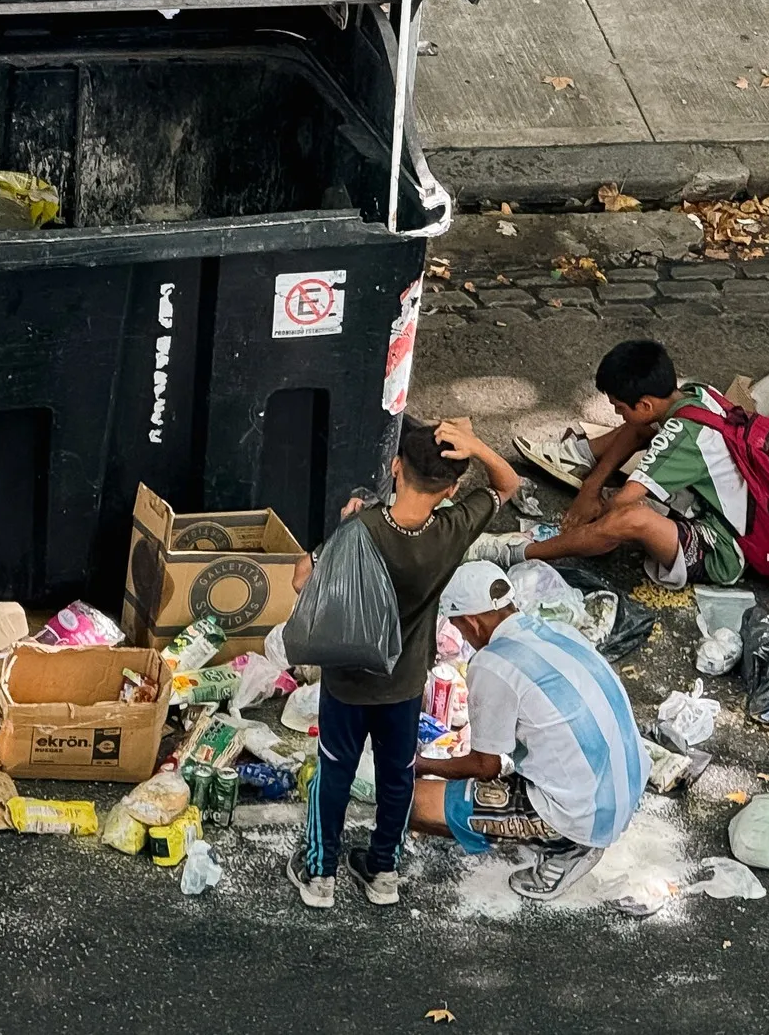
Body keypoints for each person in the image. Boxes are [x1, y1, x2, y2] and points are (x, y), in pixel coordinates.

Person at [286, 417, 522, 910]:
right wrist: (476, 445)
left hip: (348, 684)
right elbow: (507, 484)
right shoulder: (454, 529)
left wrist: (343, 530)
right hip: (406, 683)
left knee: (334, 773)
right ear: (451, 489)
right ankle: (383, 872)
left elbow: (301, 579)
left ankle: (321, 874)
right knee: (398, 776)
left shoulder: (362, 528)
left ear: (396, 467)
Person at [413, 562, 649, 899]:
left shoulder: (492, 663)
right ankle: (572, 829)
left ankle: (568, 846)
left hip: (584, 813)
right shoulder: (559, 631)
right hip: (627, 786)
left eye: (459, 627)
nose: (463, 637)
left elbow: (485, 767)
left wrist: (421, 764)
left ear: (472, 622)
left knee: (409, 803)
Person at [498, 340, 744, 588]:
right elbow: (638, 428)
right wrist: (591, 487)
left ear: (645, 404)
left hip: (723, 548)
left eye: (619, 407)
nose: (618, 414)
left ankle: (521, 551)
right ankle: (580, 458)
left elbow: (622, 502)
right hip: (717, 507)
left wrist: (593, 519)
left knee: (630, 518)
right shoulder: (697, 393)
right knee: (640, 426)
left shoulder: (683, 436)